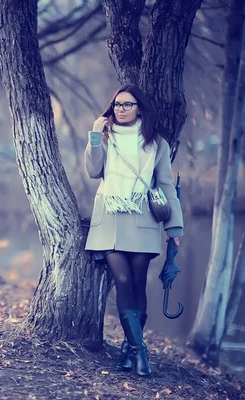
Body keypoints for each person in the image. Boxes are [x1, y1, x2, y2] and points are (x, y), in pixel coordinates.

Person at [84, 85, 184, 377]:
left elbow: (166, 186)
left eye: (127, 104)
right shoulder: (104, 137)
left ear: (140, 108)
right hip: (111, 217)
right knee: (123, 279)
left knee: (138, 283)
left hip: (144, 218)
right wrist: (93, 135)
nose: (121, 109)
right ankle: (140, 352)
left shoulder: (156, 143)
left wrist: (174, 226)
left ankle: (129, 351)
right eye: (117, 104)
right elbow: (93, 170)